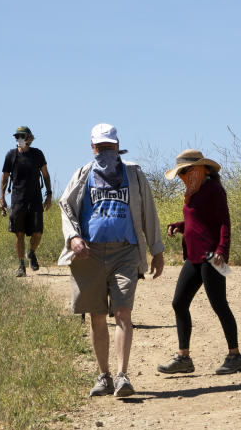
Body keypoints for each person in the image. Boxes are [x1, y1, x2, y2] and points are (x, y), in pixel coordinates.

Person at [58, 123, 165, 398]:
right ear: (92, 147)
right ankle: (103, 375)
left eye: (109, 146)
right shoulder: (83, 174)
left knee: (122, 312)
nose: (105, 150)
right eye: (100, 146)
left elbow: (148, 212)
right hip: (88, 254)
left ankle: (122, 376)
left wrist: (157, 249)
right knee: (96, 317)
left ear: (118, 146)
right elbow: (65, 205)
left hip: (126, 252)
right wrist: (73, 238)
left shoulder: (134, 173)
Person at [156, 149, 241, 376]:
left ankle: (235, 356)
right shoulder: (193, 192)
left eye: (186, 171)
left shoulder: (214, 190)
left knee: (219, 305)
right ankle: (183, 358)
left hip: (211, 257)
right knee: (179, 303)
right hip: (195, 256)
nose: (183, 176)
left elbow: (224, 222)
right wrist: (180, 226)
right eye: (181, 172)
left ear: (200, 169)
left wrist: (222, 251)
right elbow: (197, 222)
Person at [0, 126, 52, 277]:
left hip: (35, 199)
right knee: (19, 233)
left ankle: (31, 252)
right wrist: (2, 198)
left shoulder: (37, 154)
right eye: (17, 136)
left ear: (29, 138)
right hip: (18, 200)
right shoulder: (11, 155)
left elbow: (46, 175)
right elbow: (4, 177)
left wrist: (49, 195)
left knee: (37, 232)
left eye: (22, 136)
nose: (19, 139)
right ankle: (21, 265)